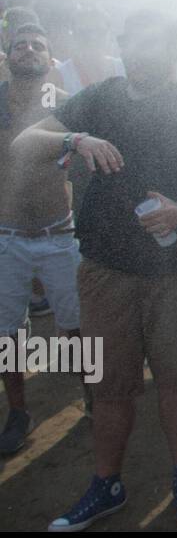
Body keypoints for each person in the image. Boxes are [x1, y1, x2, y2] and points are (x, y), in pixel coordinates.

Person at [14, 10, 177, 531]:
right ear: (124, 46)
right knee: (108, 384)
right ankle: (105, 483)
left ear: (173, 51)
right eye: (134, 45)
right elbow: (25, 145)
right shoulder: (100, 98)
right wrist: (76, 141)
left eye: (156, 46)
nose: (143, 55)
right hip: (105, 270)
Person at [0, 25, 84, 456]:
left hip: (60, 232)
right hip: (6, 237)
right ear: (7, 55)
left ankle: (93, 396)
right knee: (8, 333)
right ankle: (18, 411)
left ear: (50, 59)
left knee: (75, 325)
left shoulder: (64, 106)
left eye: (38, 44)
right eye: (19, 45)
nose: (28, 50)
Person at [56, 6, 125, 96]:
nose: (93, 38)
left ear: (110, 35)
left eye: (99, 31)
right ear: (73, 36)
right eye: (84, 32)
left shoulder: (125, 68)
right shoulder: (60, 75)